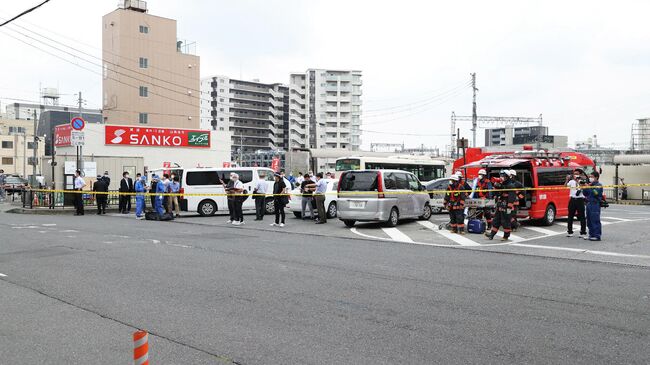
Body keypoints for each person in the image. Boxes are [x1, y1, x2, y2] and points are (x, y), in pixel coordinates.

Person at [485, 170, 516, 241]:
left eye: (503, 176)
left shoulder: (511, 186)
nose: (501, 177)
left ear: (507, 177)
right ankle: (492, 235)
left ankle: (506, 236)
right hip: (500, 206)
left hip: (506, 206)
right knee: (496, 221)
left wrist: (509, 207)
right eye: (501, 176)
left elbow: (512, 197)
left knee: (505, 222)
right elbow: (497, 194)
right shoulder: (502, 185)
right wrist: (496, 187)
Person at [583, 171, 604, 241]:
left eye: (592, 177)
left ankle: (597, 235)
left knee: (595, 220)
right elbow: (585, 194)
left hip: (595, 204)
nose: (590, 178)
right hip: (588, 203)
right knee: (589, 220)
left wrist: (589, 187)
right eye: (590, 177)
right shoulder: (590, 184)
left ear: (596, 177)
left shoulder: (599, 185)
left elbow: (596, 193)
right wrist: (585, 187)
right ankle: (591, 234)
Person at [566, 170, 587, 238]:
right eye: (574, 174)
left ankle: (583, 232)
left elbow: (585, 188)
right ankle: (570, 232)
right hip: (572, 200)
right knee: (570, 216)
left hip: (580, 200)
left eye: (577, 174)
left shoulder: (582, 181)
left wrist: (579, 182)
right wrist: (567, 180)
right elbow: (565, 186)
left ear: (580, 175)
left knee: (582, 217)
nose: (575, 175)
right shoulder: (571, 181)